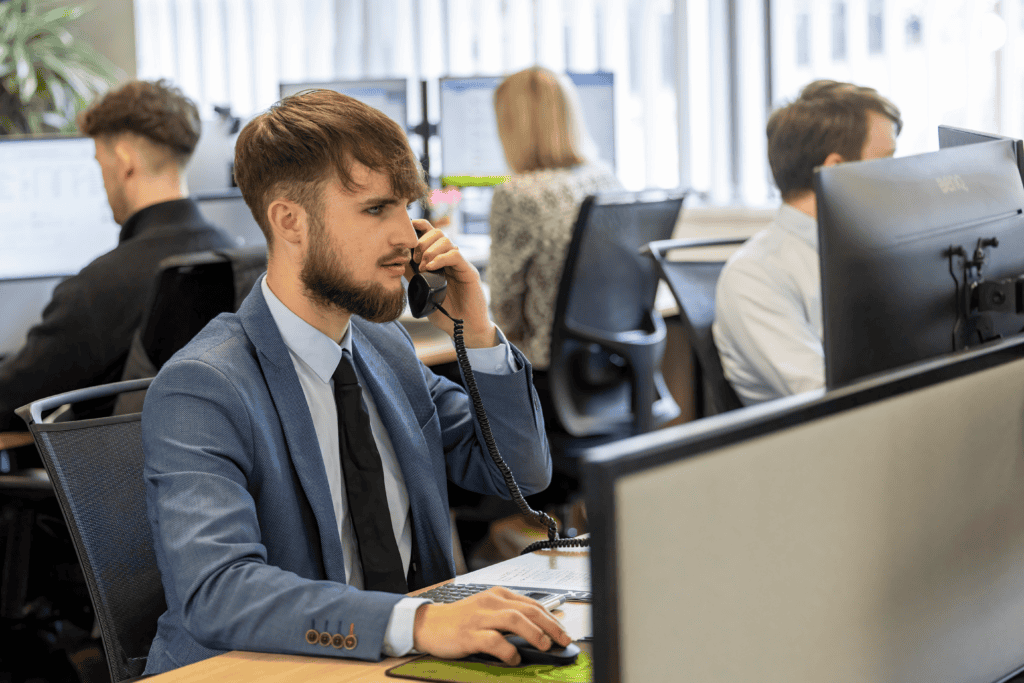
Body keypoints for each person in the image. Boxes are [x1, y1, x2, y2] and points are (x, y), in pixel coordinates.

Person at [140, 89, 569, 674]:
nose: (408, 238)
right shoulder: (203, 387)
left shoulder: (381, 345)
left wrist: (479, 328)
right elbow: (219, 590)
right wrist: (416, 622)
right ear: (289, 221)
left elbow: (520, 472)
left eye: (406, 208)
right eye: (376, 210)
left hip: (405, 659)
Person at [0, 79, 233, 430]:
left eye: (99, 162)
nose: (103, 181)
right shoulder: (237, 257)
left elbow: (14, 398)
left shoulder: (99, 287)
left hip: (114, 479)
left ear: (124, 161)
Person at [713, 80, 902, 405]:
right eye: (887, 161)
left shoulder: (872, 251)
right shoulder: (754, 275)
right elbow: (827, 396)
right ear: (837, 171)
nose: (899, 176)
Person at [487, 66, 621, 419]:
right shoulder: (604, 179)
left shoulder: (517, 194)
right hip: (609, 366)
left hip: (545, 377)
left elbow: (503, 307)